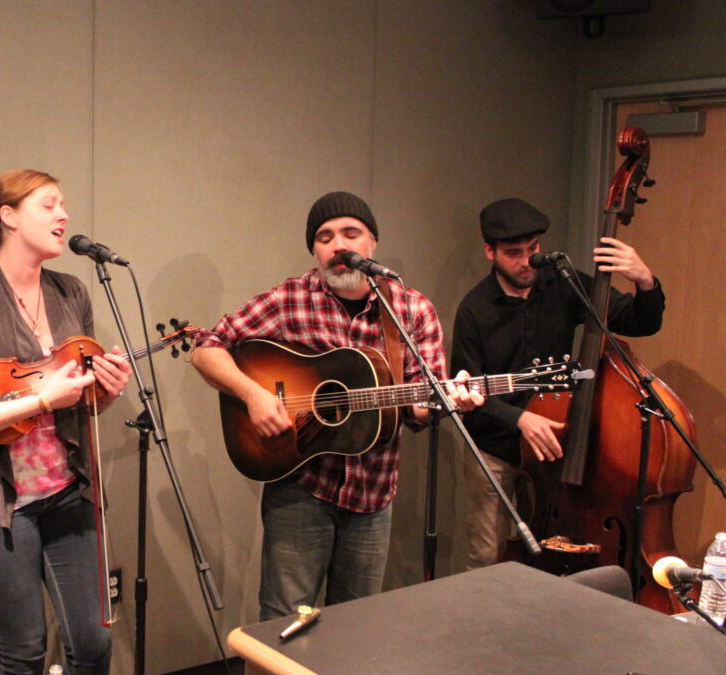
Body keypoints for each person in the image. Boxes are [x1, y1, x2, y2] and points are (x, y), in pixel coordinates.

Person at [191, 191, 483, 620]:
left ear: (373, 243)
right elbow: (206, 347)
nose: (338, 245)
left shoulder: (410, 309)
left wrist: (450, 402)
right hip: (301, 488)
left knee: (356, 625)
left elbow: (420, 405)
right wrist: (253, 395)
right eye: (325, 237)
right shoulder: (291, 299)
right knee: (284, 621)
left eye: (351, 233)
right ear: (314, 249)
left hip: (373, 493)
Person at [0, 169, 131, 675]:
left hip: (66, 493)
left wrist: (104, 389)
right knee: (25, 651)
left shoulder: (71, 292)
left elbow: (80, 403)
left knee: (93, 643)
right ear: (9, 217)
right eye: (49, 205)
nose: (63, 216)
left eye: (64, 206)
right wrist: (40, 401)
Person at [450, 197, 665, 570]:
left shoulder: (563, 284)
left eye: (533, 250)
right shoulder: (474, 309)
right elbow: (467, 388)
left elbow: (640, 323)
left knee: (547, 551)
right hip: (495, 447)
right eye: (513, 253)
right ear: (490, 251)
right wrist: (519, 419)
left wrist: (645, 281)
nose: (526, 261)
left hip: (553, 449)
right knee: (487, 555)